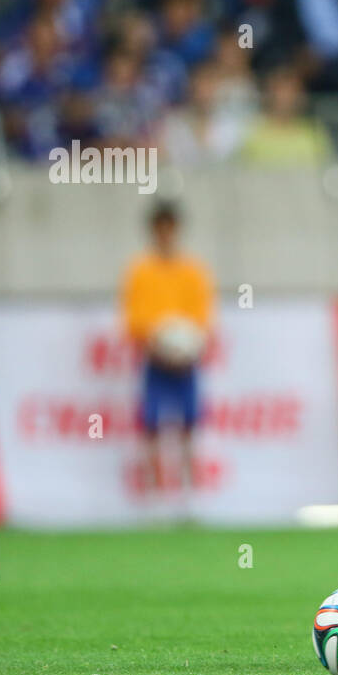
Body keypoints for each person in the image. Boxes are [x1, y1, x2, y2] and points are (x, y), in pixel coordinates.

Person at [120, 201, 214, 494]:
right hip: (155, 360)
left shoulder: (193, 271)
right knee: (151, 426)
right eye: (160, 229)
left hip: (186, 361)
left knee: (189, 426)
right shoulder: (140, 271)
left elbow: (202, 316)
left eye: (169, 229)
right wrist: (156, 344)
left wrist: (187, 347)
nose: (165, 235)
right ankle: (154, 491)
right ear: (153, 231)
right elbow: (133, 319)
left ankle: (190, 493)